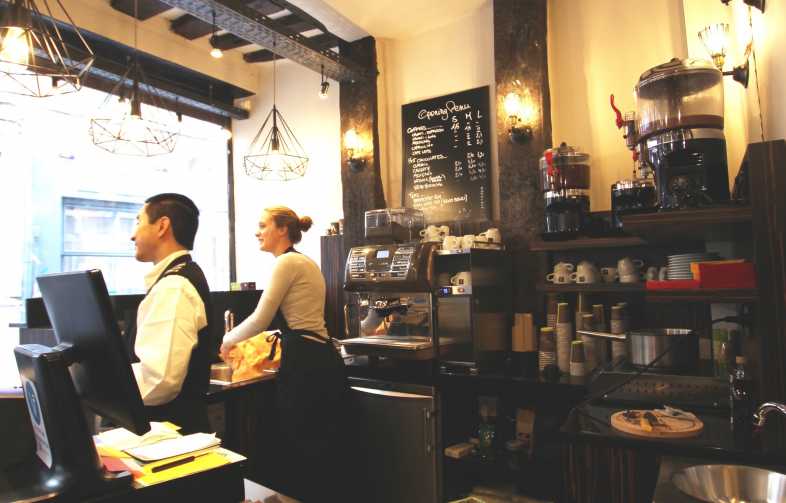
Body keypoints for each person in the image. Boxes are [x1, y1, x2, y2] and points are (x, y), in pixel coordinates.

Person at [220, 206, 346, 502]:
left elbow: (260, 319)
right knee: (316, 449)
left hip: (306, 363)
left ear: (282, 230)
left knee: (302, 447)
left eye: (263, 225)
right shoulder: (301, 262)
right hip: (319, 358)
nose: (257, 231)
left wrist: (226, 340)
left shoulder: (287, 263)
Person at [127, 193, 215, 434]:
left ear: (162, 226)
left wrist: (108, 383)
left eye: (138, 222)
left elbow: (159, 381)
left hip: (169, 437)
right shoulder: (179, 276)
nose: (132, 235)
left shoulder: (174, 286)